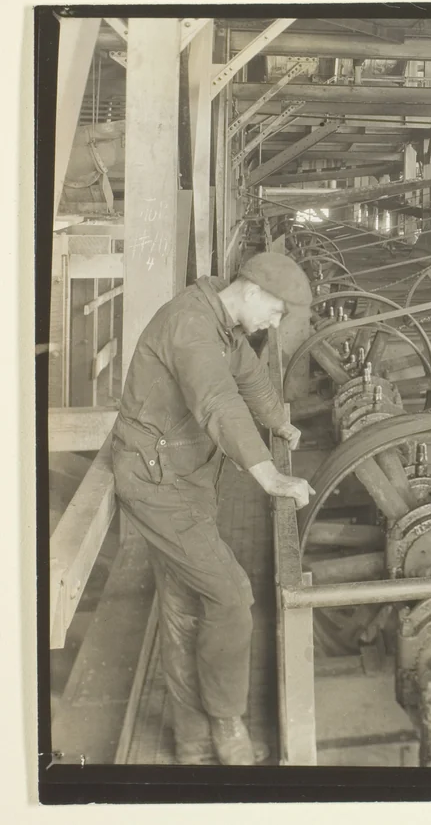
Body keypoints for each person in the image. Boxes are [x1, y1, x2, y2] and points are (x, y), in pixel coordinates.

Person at [111, 251, 316, 766]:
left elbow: (248, 379)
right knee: (230, 596)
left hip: (184, 477)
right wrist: (269, 474)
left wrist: (280, 422)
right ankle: (226, 724)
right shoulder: (190, 326)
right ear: (250, 291)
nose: (274, 324)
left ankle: (192, 741)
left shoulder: (223, 325)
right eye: (274, 312)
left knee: (182, 604)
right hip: (158, 486)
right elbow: (219, 400)